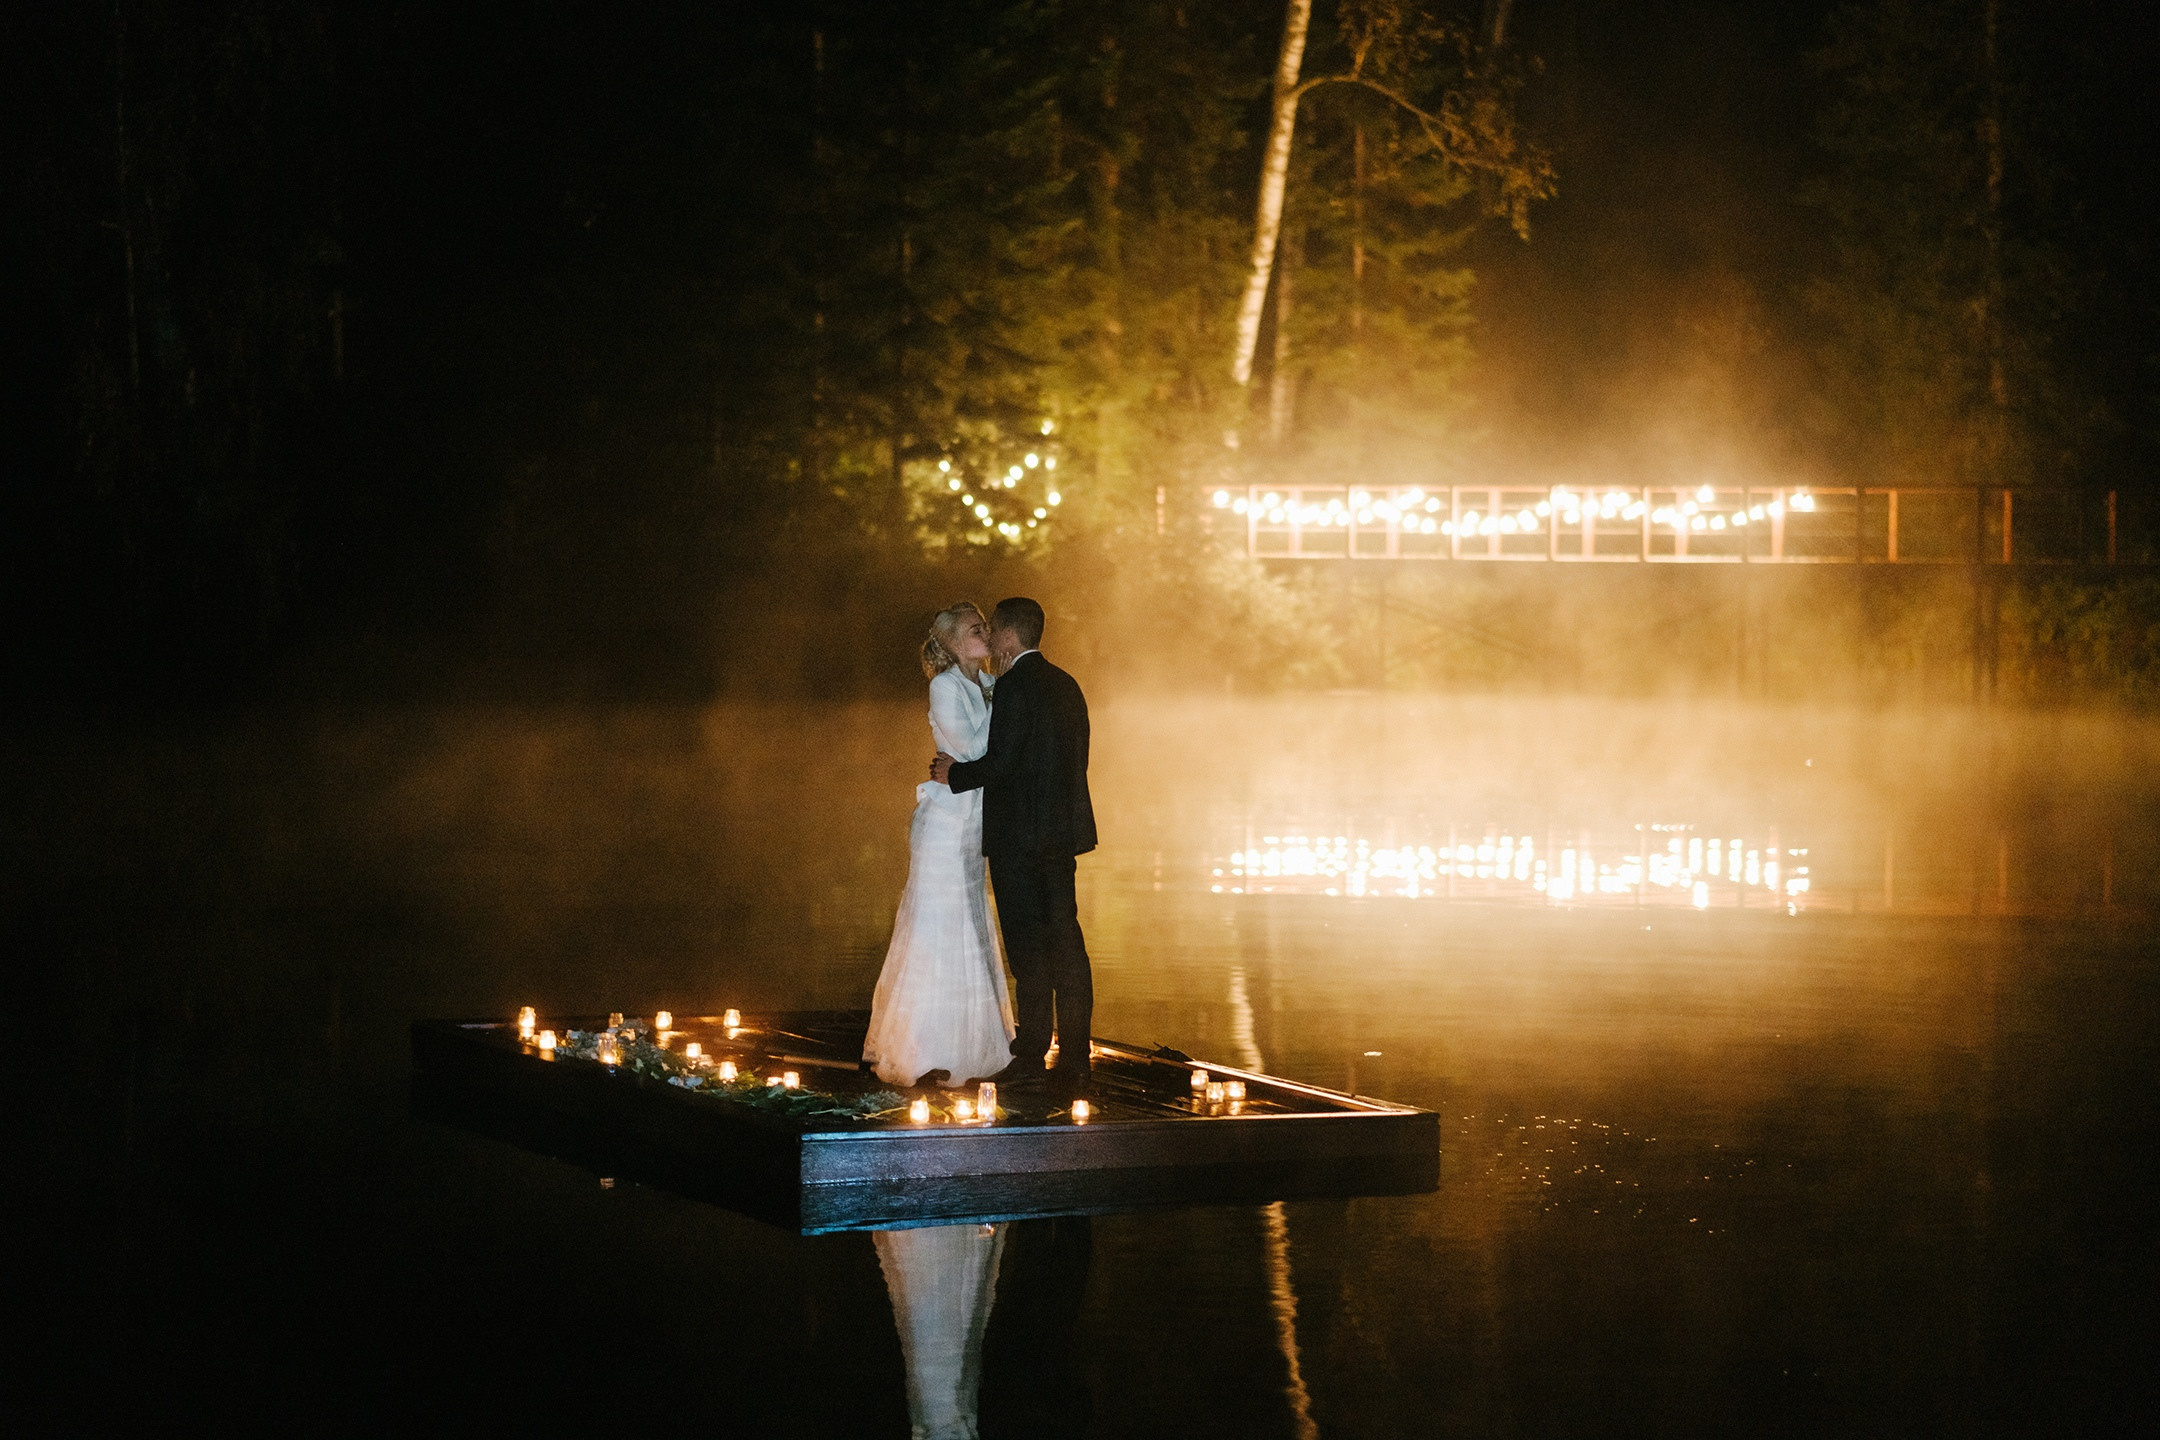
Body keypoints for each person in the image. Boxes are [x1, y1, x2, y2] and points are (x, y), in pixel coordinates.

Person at [931, 597, 1097, 1099]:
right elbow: (1075, 758)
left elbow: (1002, 763)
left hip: (1019, 841)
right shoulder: (1067, 684)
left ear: (1007, 636)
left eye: (993, 630)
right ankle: (1074, 1059)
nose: (991, 638)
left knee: (1028, 953)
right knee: (1066, 946)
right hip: (1060, 836)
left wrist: (952, 774)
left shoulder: (1013, 687)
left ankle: (1029, 1058)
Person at [863, 603, 1017, 1089]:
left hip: (975, 826)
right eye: (975, 630)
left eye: (986, 628)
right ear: (951, 643)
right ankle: (925, 1047)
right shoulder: (945, 685)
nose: (985, 635)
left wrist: (1000, 701)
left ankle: (975, 1047)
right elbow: (971, 752)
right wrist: (1004, 709)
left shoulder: (990, 684)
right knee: (937, 930)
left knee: (972, 926)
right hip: (945, 828)